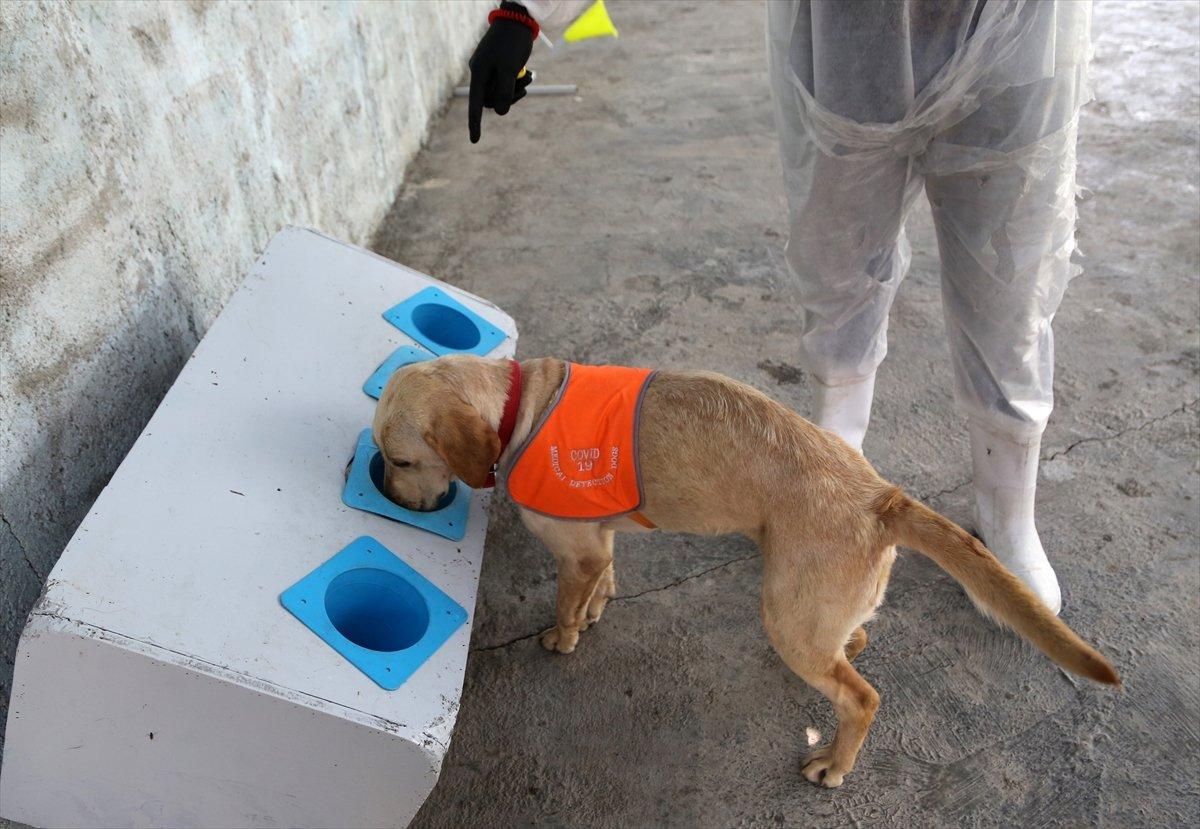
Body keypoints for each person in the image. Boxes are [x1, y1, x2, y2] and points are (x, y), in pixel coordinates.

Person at [466, 0, 1094, 614]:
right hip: (851, 32)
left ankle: (1007, 511)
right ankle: (826, 487)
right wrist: (528, 11)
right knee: (839, 268)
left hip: (1016, 31)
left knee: (1009, 284)